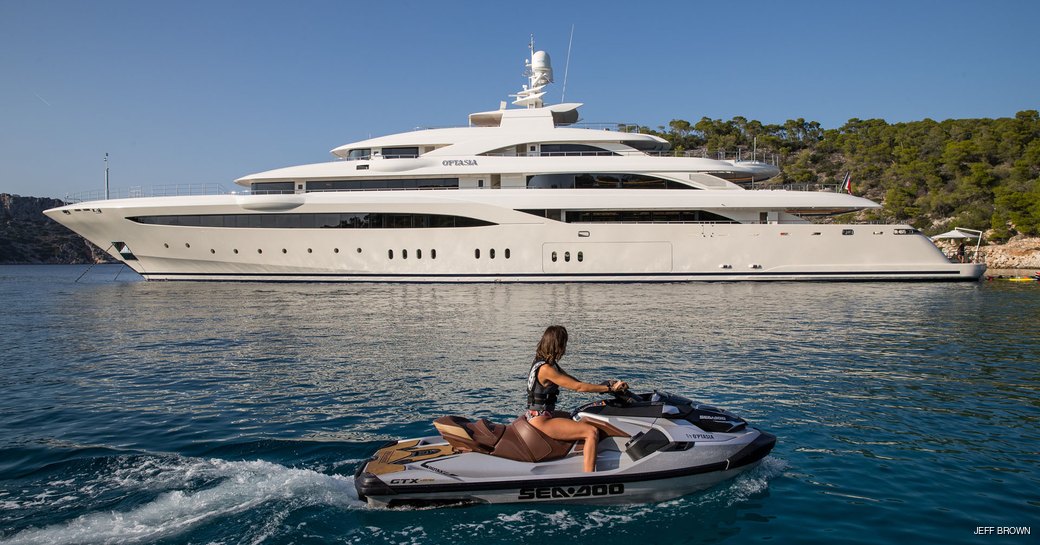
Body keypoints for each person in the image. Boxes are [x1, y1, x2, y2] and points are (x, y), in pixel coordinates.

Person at [526, 325, 627, 472]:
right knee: (590, 432)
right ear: (558, 344)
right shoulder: (546, 369)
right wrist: (609, 389)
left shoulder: (546, 363)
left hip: (541, 415)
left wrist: (605, 385)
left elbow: (573, 380)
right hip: (541, 420)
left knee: (579, 416)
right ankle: (589, 477)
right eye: (564, 343)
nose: (565, 347)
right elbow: (577, 387)